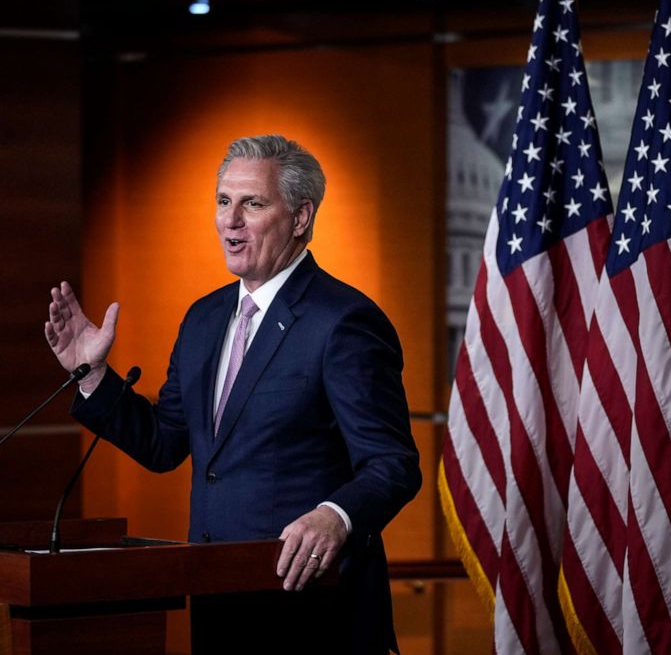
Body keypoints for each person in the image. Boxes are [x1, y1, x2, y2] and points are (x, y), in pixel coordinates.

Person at [44, 135, 422, 653]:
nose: (230, 220)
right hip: (220, 602)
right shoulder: (204, 318)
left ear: (300, 217)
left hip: (313, 610)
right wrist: (91, 374)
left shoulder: (344, 321)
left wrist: (334, 515)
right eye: (223, 201)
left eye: (253, 203)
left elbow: (392, 463)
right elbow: (164, 443)